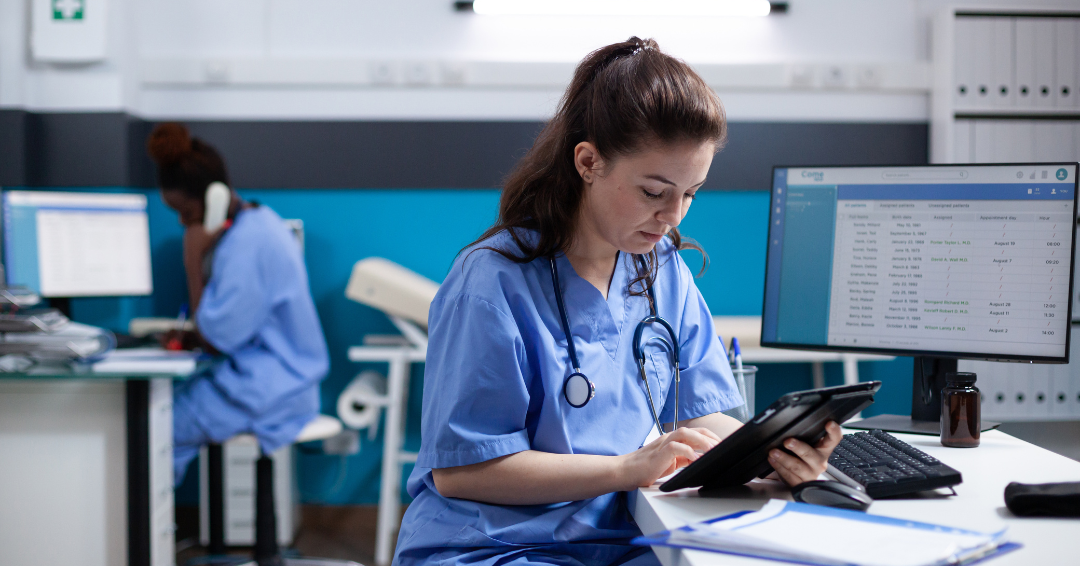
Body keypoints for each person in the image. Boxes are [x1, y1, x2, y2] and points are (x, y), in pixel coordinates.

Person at [393, 37, 842, 566]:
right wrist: (625, 469)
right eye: (655, 192)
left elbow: (699, 417)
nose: (674, 215)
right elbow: (459, 471)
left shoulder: (662, 269)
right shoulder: (491, 284)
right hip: (496, 545)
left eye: (691, 192)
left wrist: (773, 453)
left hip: (617, 539)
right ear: (588, 161)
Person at [147, 123, 330, 484]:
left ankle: (138, 535)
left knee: (152, 429)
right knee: (162, 415)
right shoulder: (256, 223)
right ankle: (156, 533)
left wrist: (192, 259)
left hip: (276, 388)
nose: (184, 224)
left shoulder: (248, 244)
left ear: (214, 198)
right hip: (272, 378)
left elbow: (217, 338)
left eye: (186, 213)